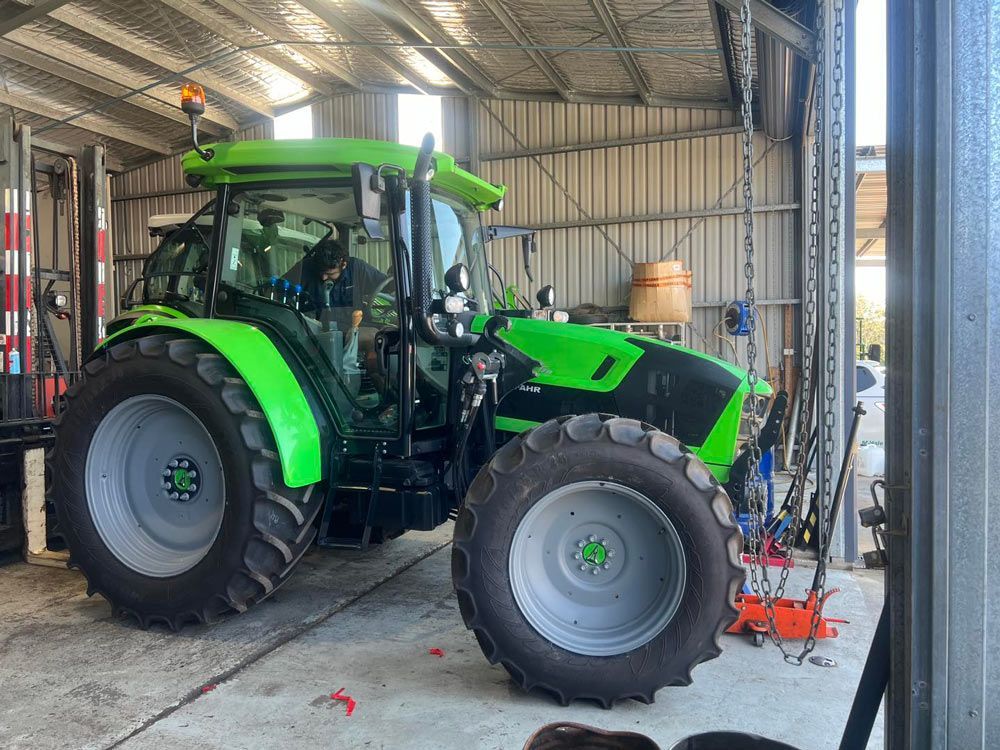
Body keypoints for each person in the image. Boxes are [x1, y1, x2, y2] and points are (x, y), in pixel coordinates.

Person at [305, 238, 387, 323]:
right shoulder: (306, 267)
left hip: (354, 328)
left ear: (343, 264)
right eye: (321, 272)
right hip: (315, 331)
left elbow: (387, 285)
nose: (324, 278)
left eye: (330, 274)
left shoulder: (358, 269)